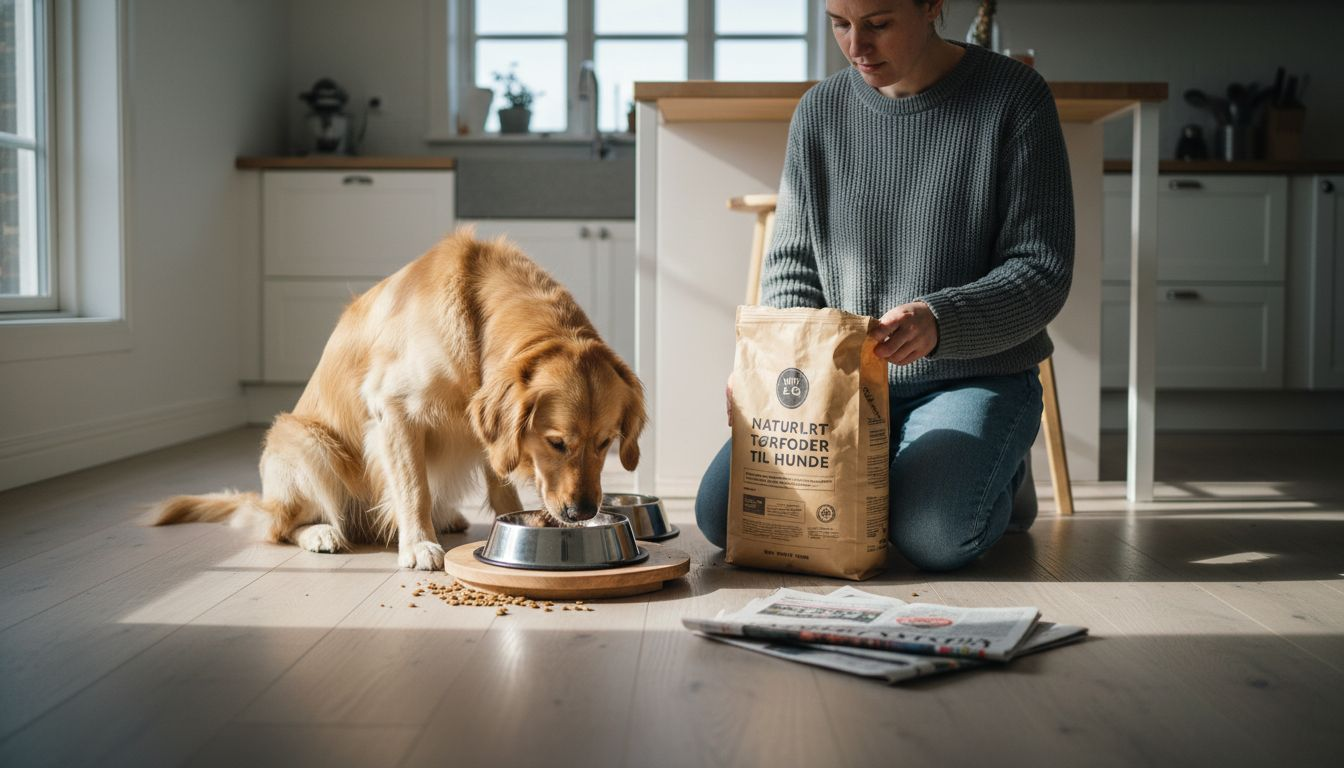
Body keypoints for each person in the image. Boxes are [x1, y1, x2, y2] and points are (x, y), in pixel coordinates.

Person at [694, 0, 1075, 572]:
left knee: (934, 534)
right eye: (839, 23)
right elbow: (793, 266)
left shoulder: (1015, 98)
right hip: (843, 387)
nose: (856, 47)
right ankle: (937, 471)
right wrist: (774, 374)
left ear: (931, 7)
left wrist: (941, 319)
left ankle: (994, 472)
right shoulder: (820, 111)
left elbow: (1042, 268)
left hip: (974, 375)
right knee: (724, 513)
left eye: (877, 23)